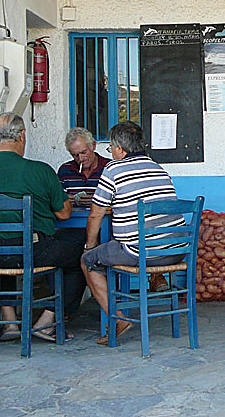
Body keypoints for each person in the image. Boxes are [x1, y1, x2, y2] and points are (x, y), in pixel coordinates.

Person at [0, 112, 82, 342]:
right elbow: (64, 213)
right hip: (33, 251)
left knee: (1, 246)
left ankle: (9, 324)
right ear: (22, 136)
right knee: (81, 258)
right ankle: (46, 322)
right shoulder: (40, 171)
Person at [81, 121, 187, 345]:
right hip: (177, 251)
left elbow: (95, 215)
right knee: (136, 243)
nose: (110, 153)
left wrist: (89, 246)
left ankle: (119, 318)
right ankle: (156, 280)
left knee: (88, 260)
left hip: (139, 253)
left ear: (120, 149)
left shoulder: (113, 170)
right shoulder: (159, 168)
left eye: (110, 148)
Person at [57, 127, 109, 205]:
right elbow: (56, 200)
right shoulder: (65, 171)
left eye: (84, 152)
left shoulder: (109, 168)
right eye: (75, 155)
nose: (81, 158)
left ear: (93, 146)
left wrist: (98, 201)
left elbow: (120, 200)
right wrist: (64, 200)